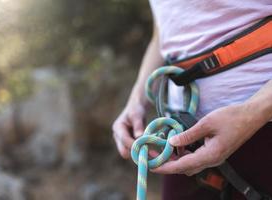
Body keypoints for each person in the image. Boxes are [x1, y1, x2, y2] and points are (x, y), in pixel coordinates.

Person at [112, 1, 272, 199]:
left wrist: (254, 112)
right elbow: (163, 32)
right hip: (180, 139)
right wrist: (137, 99)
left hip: (262, 128)